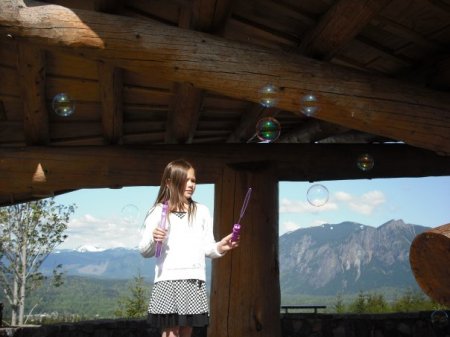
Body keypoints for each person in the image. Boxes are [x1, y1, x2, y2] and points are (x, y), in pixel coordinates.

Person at [139, 159, 239, 337]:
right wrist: (155, 239)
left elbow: (208, 248)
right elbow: (144, 251)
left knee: (186, 332)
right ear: (169, 182)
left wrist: (221, 247)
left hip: (194, 278)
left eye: (193, 180)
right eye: (185, 180)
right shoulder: (157, 211)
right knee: (171, 332)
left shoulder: (202, 211)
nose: (191, 184)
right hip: (167, 280)